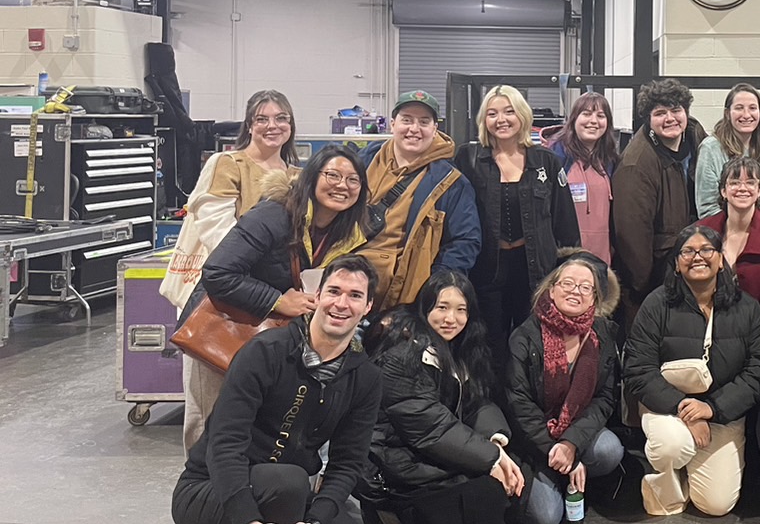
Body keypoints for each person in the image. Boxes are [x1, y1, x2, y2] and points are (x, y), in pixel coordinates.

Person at [173, 255, 387, 524]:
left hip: (287, 500)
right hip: (209, 491)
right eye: (334, 292)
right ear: (316, 296)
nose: (342, 304)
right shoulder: (265, 352)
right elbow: (224, 447)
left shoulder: (364, 378)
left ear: (368, 307)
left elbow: (346, 464)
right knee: (288, 479)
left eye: (355, 296)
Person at [359, 271, 525, 524]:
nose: (451, 318)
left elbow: (480, 401)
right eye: (441, 307)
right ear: (424, 308)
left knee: (514, 483)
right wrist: (490, 458)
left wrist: (496, 440)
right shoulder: (403, 352)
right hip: (393, 463)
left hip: (425, 451)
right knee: (491, 485)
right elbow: (430, 427)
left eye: (461, 309)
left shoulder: (460, 347)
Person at [164, 89, 300, 454]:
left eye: (281, 118)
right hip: (221, 301)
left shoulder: (298, 175)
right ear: (249, 125)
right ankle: (202, 485)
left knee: (258, 407)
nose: (272, 126)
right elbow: (216, 231)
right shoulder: (229, 164)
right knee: (211, 404)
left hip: (272, 305)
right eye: (262, 119)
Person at [624, 224, 760, 517]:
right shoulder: (656, 305)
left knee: (716, 505)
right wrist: (684, 409)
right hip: (665, 406)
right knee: (671, 447)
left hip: (721, 412)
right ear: (676, 263)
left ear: (720, 259)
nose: (697, 257)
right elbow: (638, 370)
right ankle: (666, 480)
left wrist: (711, 409)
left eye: (706, 250)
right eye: (687, 251)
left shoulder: (747, 308)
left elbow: (756, 373)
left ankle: (691, 470)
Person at [503, 252, 625, 524]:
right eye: (568, 283)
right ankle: (561, 473)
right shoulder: (525, 335)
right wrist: (554, 450)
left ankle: (573, 471)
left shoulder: (602, 334)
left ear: (595, 298)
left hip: (576, 432)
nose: (576, 291)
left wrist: (571, 444)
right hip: (534, 440)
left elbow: (605, 399)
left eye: (586, 287)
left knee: (609, 450)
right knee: (544, 519)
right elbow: (518, 404)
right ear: (552, 288)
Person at [455, 85, 581, 353]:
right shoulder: (468, 158)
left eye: (509, 111)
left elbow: (565, 222)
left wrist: (570, 270)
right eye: (492, 113)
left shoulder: (546, 161)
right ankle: (491, 395)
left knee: (533, 344)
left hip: (535, 272)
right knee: (488, 345)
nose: (501, 120)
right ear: (483, 120)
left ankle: (526, 395)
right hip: (486, 271)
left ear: (522, 115)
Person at [197, 146, 371, 330]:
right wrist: (276, 301)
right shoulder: (272, 216)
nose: (342, 185)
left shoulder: (351, 235)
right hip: (239, 329)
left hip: (291, 335)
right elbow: (217, 273)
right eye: (333, 175)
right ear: (311, 177)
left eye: (353, 180)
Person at [360, 89, 481, 310]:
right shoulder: (362, 162)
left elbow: (465, 241)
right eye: (407, 120)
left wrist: (433, 291)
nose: (414, 129)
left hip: (404, 297)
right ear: (393, 124)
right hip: (349, 285)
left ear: (435, 129)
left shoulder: (451, 182)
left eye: (424, 122)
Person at [612, 78, 707, 321]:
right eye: (660, 113)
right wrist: (642, 286)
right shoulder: (636, 164)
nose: (670, 118)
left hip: (695, 258)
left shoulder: (696, 136)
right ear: (648, 118)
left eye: (676, 110)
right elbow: (632, 233)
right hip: (657, 272)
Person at [697, 156, 760, 309]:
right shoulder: (699, 233)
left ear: (759, 190)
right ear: (723, 191)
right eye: (734, 183)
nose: (743, 188)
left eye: (750, 183)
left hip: (759, 326)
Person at [545, 91, 620, 262]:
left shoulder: (610, 160)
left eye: (600, 115)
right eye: (586, 114)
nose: (593, 121)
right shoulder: (555, 156)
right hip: (564, 255)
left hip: (602, 256)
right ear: (573, 119)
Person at [695, 82, 760, 216]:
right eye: (739, 108)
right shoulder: (710, 149)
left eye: (753, 108)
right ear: (727, 113)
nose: (746, 115)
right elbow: (707, 208)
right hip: (726, 232)